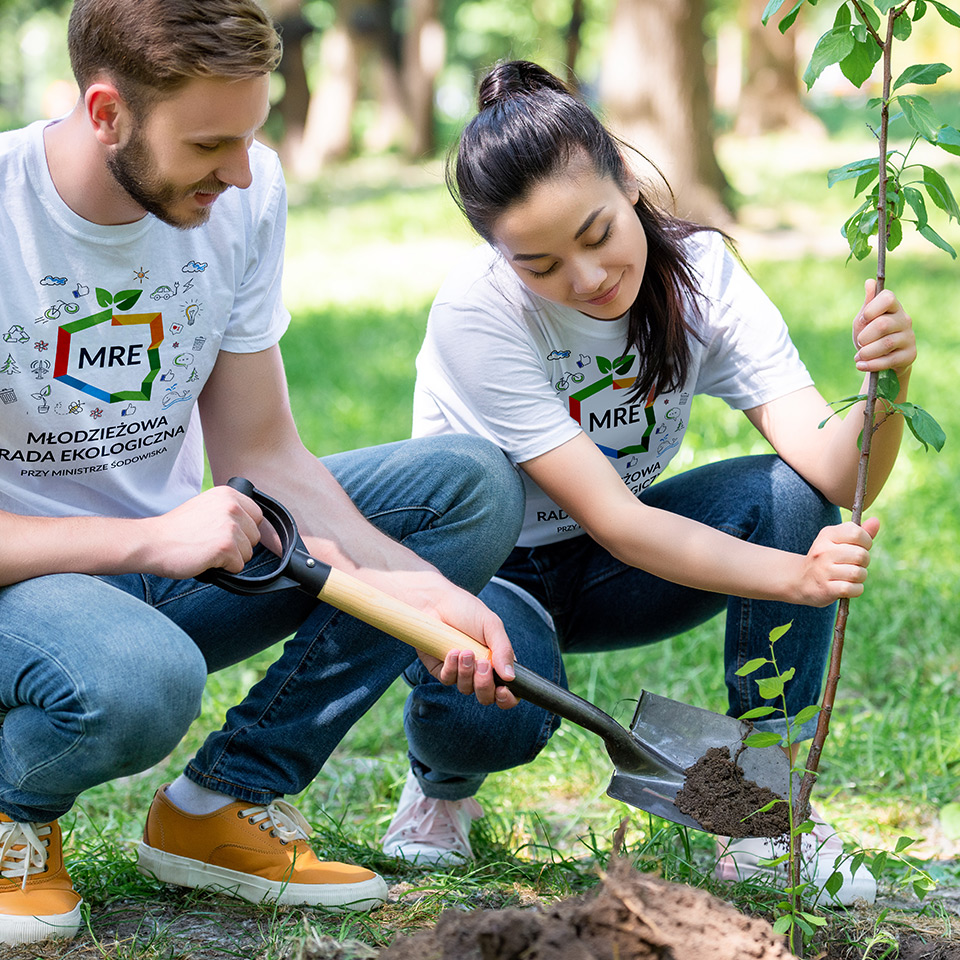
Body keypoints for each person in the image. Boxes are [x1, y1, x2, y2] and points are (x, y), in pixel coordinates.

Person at [0, 1, 525, 946]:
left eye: (250, 135)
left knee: (466, 487)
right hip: (27, 590)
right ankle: (10, 816)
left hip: (168, 565)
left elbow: (264, 454)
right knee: (140, 678)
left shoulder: (243, 193)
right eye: (210, 143)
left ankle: (219, 804)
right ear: (106, 112)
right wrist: (149, 539)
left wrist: (423, 587)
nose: (239, 172)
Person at [380, 60, 918, 906]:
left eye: (596, 235)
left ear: (628, 181)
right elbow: (621, 517)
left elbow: (831, 469)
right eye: (541, 264)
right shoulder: (477, 314)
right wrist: (798, 579)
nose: (587, 278)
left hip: (604, 568)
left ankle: (760, 804)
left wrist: (890, 385)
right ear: (499, 256)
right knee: (498, 712)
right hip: (486, 576)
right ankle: (441, 792)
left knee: (788, 499)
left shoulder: (701, 274)